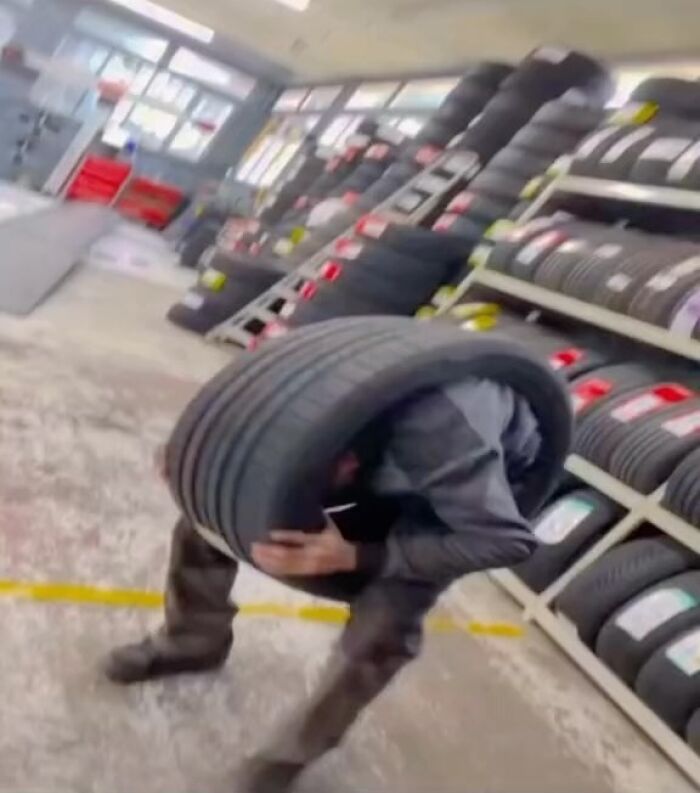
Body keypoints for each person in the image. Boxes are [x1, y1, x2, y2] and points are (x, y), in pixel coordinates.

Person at [104, 377, 545, 792]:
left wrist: (361, 555)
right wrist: (190, 457)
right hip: (382, 458)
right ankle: (193, 642)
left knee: (385, 622)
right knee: (204, 523)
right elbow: (230, 415)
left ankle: (291, 756)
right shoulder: (304, 390)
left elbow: (505, 542)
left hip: (453, 509)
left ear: (348, 464)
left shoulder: (446, 438)